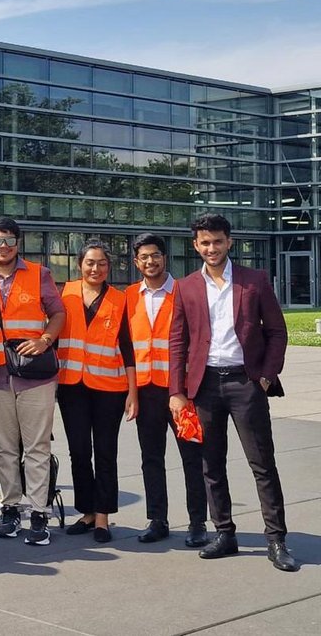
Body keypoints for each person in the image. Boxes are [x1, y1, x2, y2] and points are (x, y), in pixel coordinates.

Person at [168, 214, 296, 571]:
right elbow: (177, 342)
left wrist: (267, 376)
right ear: (196, 245)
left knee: (262, 463)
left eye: (218, 241)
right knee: (211, 464)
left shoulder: (254, 281)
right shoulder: (186, 287)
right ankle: (224, 532)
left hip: (246, 383)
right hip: (204, 385)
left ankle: (276, 540)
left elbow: (277, 332)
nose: (211, 248)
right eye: (205, 242)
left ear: (229, 242)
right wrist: (177, 391)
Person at [0, 217, 66, 546]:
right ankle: (10, 508)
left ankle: (40, 513)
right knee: (5, 449)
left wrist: (44, 339)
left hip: (36, 376)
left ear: (18, 244)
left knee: (38, 447)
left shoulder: (39, 274)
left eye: (9, 240)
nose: (3, 247)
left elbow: (58, 313)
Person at [126, 233, 208, 547]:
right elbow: (128, 347)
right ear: (136, 262)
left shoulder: (186, 291)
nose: (150, 261)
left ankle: (198, 523)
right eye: (144, 257)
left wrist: (188, 390)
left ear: (165, 257)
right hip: (146, 392)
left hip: (182, 393)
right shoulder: (130, 296)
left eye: (155, 255)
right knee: (151, 458)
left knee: (192, 458)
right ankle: (157, 519)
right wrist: (131, 393)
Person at [56, 240, 137, 544]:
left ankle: (102, 516)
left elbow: (128, 347)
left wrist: (132, 392)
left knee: (106, 452)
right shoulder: (64, 293)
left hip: (109, 388)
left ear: (109, 266)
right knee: (78, 451)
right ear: (80, 265)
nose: (96, 268)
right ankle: (87, 511)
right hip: (71, 385)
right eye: (90, 262)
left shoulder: (120, 299)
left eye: (102, 263)